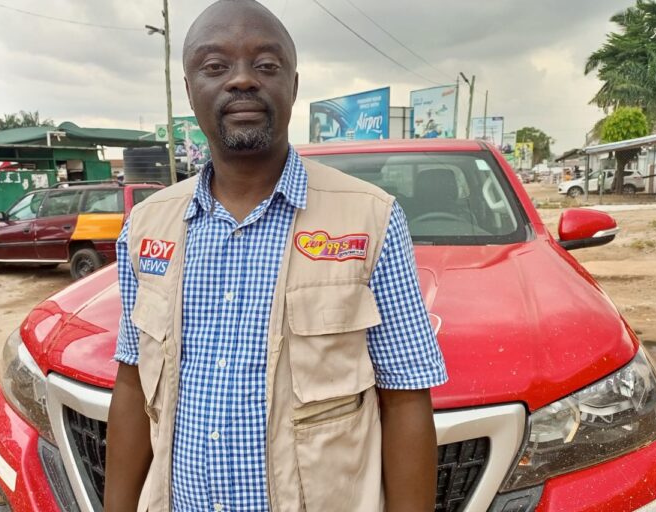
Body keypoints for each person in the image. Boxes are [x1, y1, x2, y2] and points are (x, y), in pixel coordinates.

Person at [104, 1, 447, 511]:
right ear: (189, 88)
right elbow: (132, 386)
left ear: (294, 84)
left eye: (266, 65)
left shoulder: (372, 219)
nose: (242, 80)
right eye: (215, 66)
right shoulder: (146, 227)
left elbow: (405, 398)